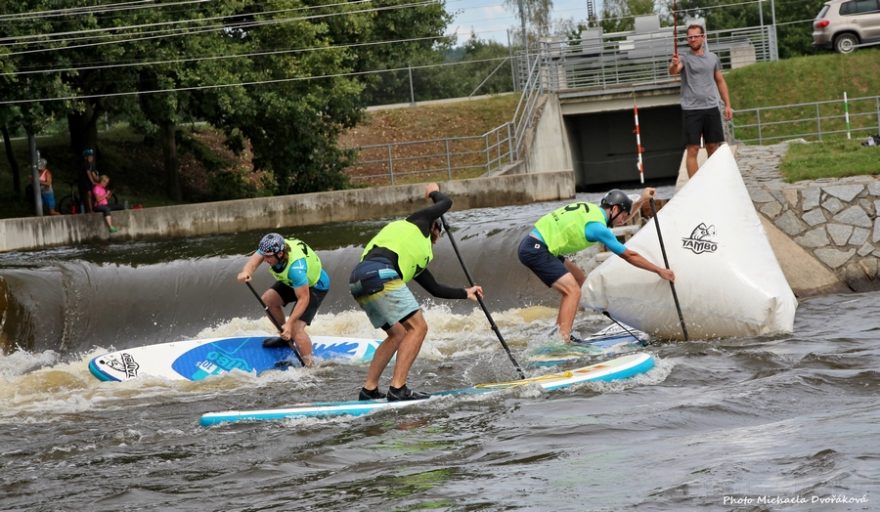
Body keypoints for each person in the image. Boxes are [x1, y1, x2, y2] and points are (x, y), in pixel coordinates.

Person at [349, 183, 483, 401]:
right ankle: (398, 389)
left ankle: (369, 389)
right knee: (418, 327)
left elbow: (435, 288)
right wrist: (433, 192)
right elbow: (446, 202)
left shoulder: (416, 254)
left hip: (358, 279)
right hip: (380, 273)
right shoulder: (419, 221)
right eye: (438, 233)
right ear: (434, 226)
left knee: (397, 334)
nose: (437, 238)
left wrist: (466, 293)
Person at [518, 188, 675, 344]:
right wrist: (659, 270)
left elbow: (620, 218)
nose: (623, 221)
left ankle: (558, 332)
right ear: (614, 209)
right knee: (573, 291)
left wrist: (641, 200)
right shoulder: (597, 227)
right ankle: (562, 340)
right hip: (536, 249)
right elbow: (629, 255)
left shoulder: (594, 211)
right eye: (623, 215)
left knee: (580, 279)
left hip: (538, 245)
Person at [236, 233, 330, 368]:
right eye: (264, 255)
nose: (265, 259)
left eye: (268, 257)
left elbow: (303, 298)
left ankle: (310, 367)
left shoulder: (296, 268)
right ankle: (286, 336)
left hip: (315, 286)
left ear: (280, 254)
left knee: (296, 328)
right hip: (293, 282)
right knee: (268, 300)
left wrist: (290, 324)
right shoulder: (271, 247)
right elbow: (253, 262)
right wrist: (246, 272)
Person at [668, 24, 734, 178]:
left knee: (713, 147)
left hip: (711, 107)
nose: (692, 39)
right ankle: (695, 186)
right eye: (690, 37)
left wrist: (728, 105)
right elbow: (674, 71)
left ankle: (714, 180)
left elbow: (720, 81)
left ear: (703, 37)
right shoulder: (684, 58)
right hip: (691, 110)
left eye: (696, 36)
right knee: (693, 149)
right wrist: (674, 64)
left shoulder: (713, 58)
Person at [78, 148, 99, 213]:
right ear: (86, 157)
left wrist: (99, 180)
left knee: (91, 194)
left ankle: (92, 208)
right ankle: (89, 210)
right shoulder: (86, 163)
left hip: (88, 182)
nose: (91, 157)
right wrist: (93, 182)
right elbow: (89, 174)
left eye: (92, 156)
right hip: (84, 182)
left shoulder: (91, 164)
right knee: (88, 194)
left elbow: (93, 174)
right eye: (90, 156)